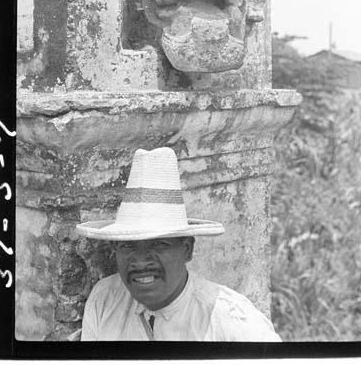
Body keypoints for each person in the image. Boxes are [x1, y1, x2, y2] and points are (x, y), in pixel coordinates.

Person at [77, 147, 281, 342]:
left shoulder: (232, 322)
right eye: (128, 246)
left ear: (187, 249)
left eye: (158, 244)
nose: (140, 261)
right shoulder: (105, 299)